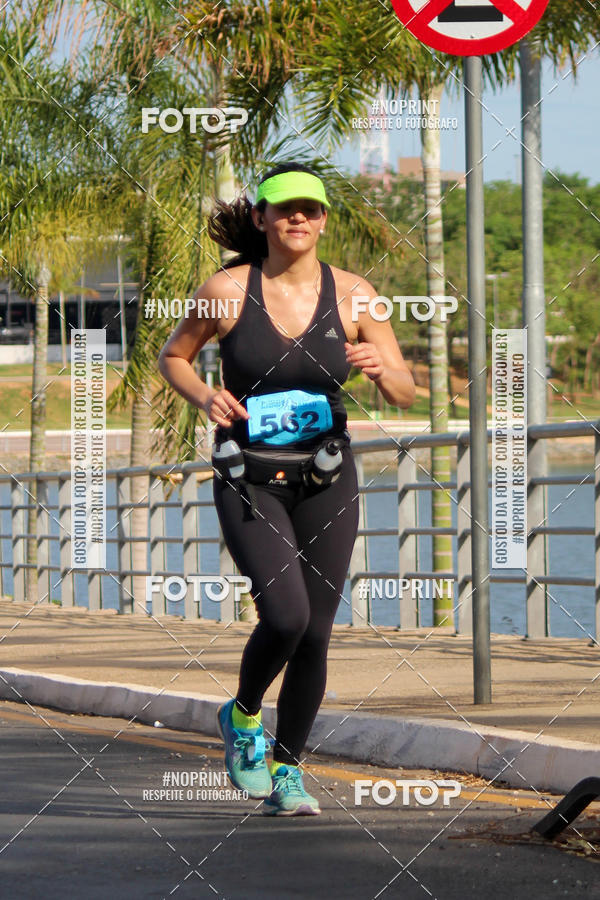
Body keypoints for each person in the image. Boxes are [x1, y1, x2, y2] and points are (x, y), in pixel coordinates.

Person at [158, 162, 415, 816]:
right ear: (261, 218)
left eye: (310, 209)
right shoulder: (225, 289)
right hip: (250, 476)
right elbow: (175, 356)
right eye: (284, 209)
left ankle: (289, 770)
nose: (298, 219)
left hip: (327, 478)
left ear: (324, 219)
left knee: (319, 634)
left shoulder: (357, 294)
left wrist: (382, 366)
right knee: (287, 617)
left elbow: (407, 390)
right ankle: (243, 716)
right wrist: (204, 395)